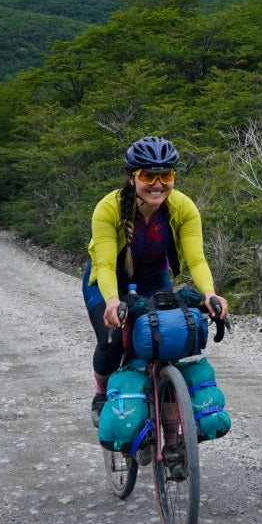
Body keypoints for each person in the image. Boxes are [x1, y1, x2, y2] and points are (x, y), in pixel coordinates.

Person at [84, 136, 226, 415]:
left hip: (153, 277)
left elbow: (197, 258)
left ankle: (171, 440)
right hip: (108, 278)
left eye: (166, 175)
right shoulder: (108, 208)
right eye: (149, 176)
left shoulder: (183, 208)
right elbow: (105, 265)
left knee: (166, 343)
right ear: (132, 177)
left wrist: (210, 293)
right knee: (111, 342)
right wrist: (112, 300)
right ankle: (101, 392)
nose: (158, 184)